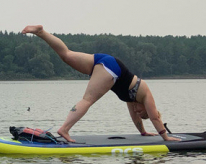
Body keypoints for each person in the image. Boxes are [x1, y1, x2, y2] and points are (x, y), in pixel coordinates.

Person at [21, 25, 180, 143]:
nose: (138, 113)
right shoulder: (145, 93)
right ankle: (64, 129)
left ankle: (41, 32)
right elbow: (154, 117)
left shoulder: (133, 101)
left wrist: (143, 132)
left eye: (140, 114)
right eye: (141, 112)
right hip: (112, 69)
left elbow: (136, 119)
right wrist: (165, 137)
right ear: (145, 107)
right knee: (87, 100)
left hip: (107, 61)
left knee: (66, 55)